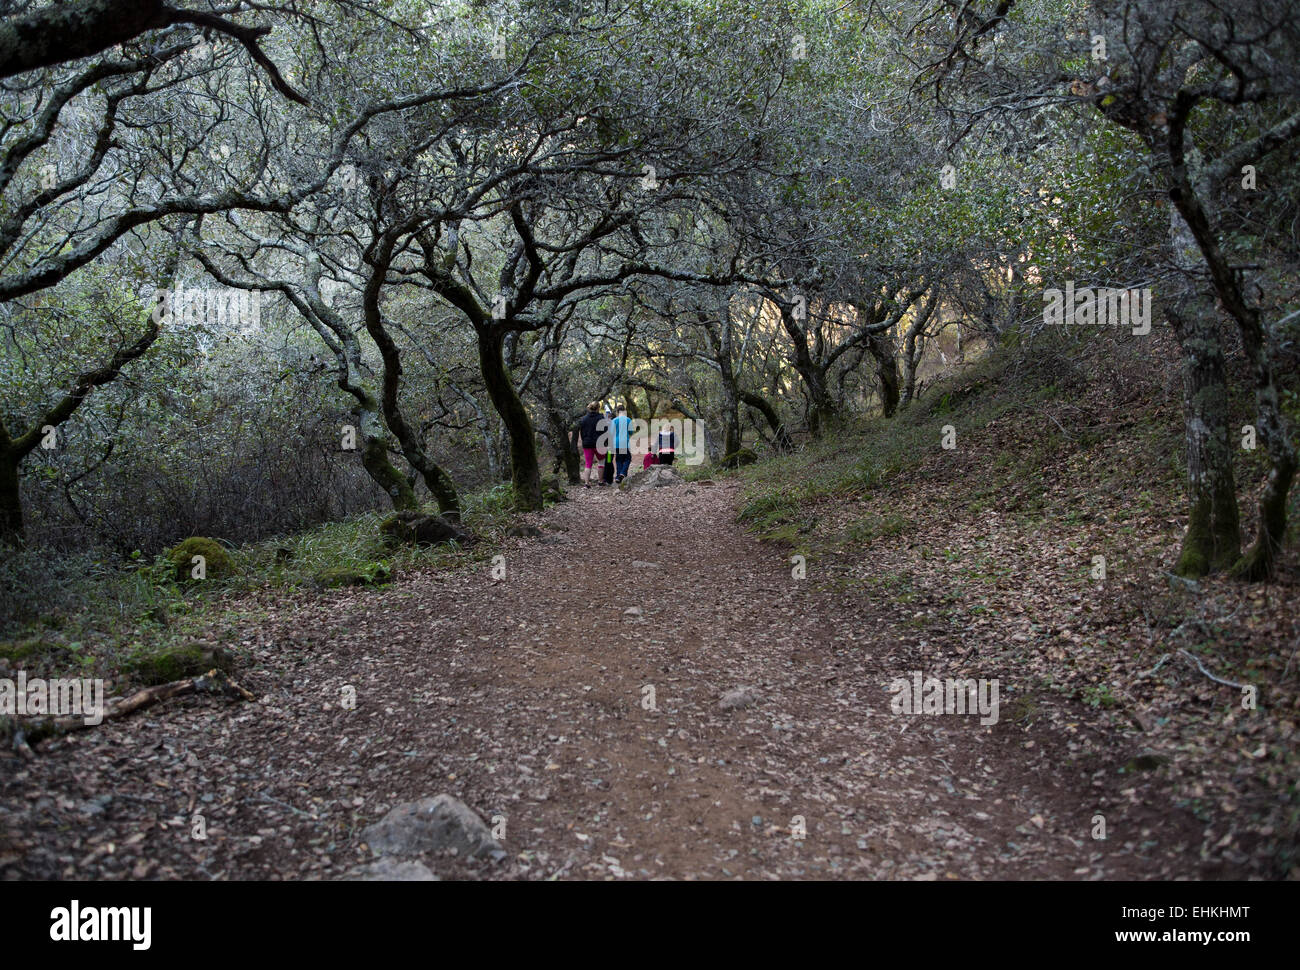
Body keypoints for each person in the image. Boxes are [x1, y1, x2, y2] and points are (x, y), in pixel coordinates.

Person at [576, 402, 603, 487]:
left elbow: (582, 432)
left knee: (588, 464)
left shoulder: (583, 419)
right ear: (598, 408)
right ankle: (600, 481)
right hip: (599, 443)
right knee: (601, 462)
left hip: (587, 444)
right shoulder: (601, 418)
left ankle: (586, 483)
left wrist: (585, 441)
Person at [610, 404, 632, 483]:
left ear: (617, 412)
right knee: (628, 458)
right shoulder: (628, 420)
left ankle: (618, 477)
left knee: (619, 459)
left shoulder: (614, 420)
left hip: (616, 443)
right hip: (624, 442)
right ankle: (622, 473)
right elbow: (631, 431)